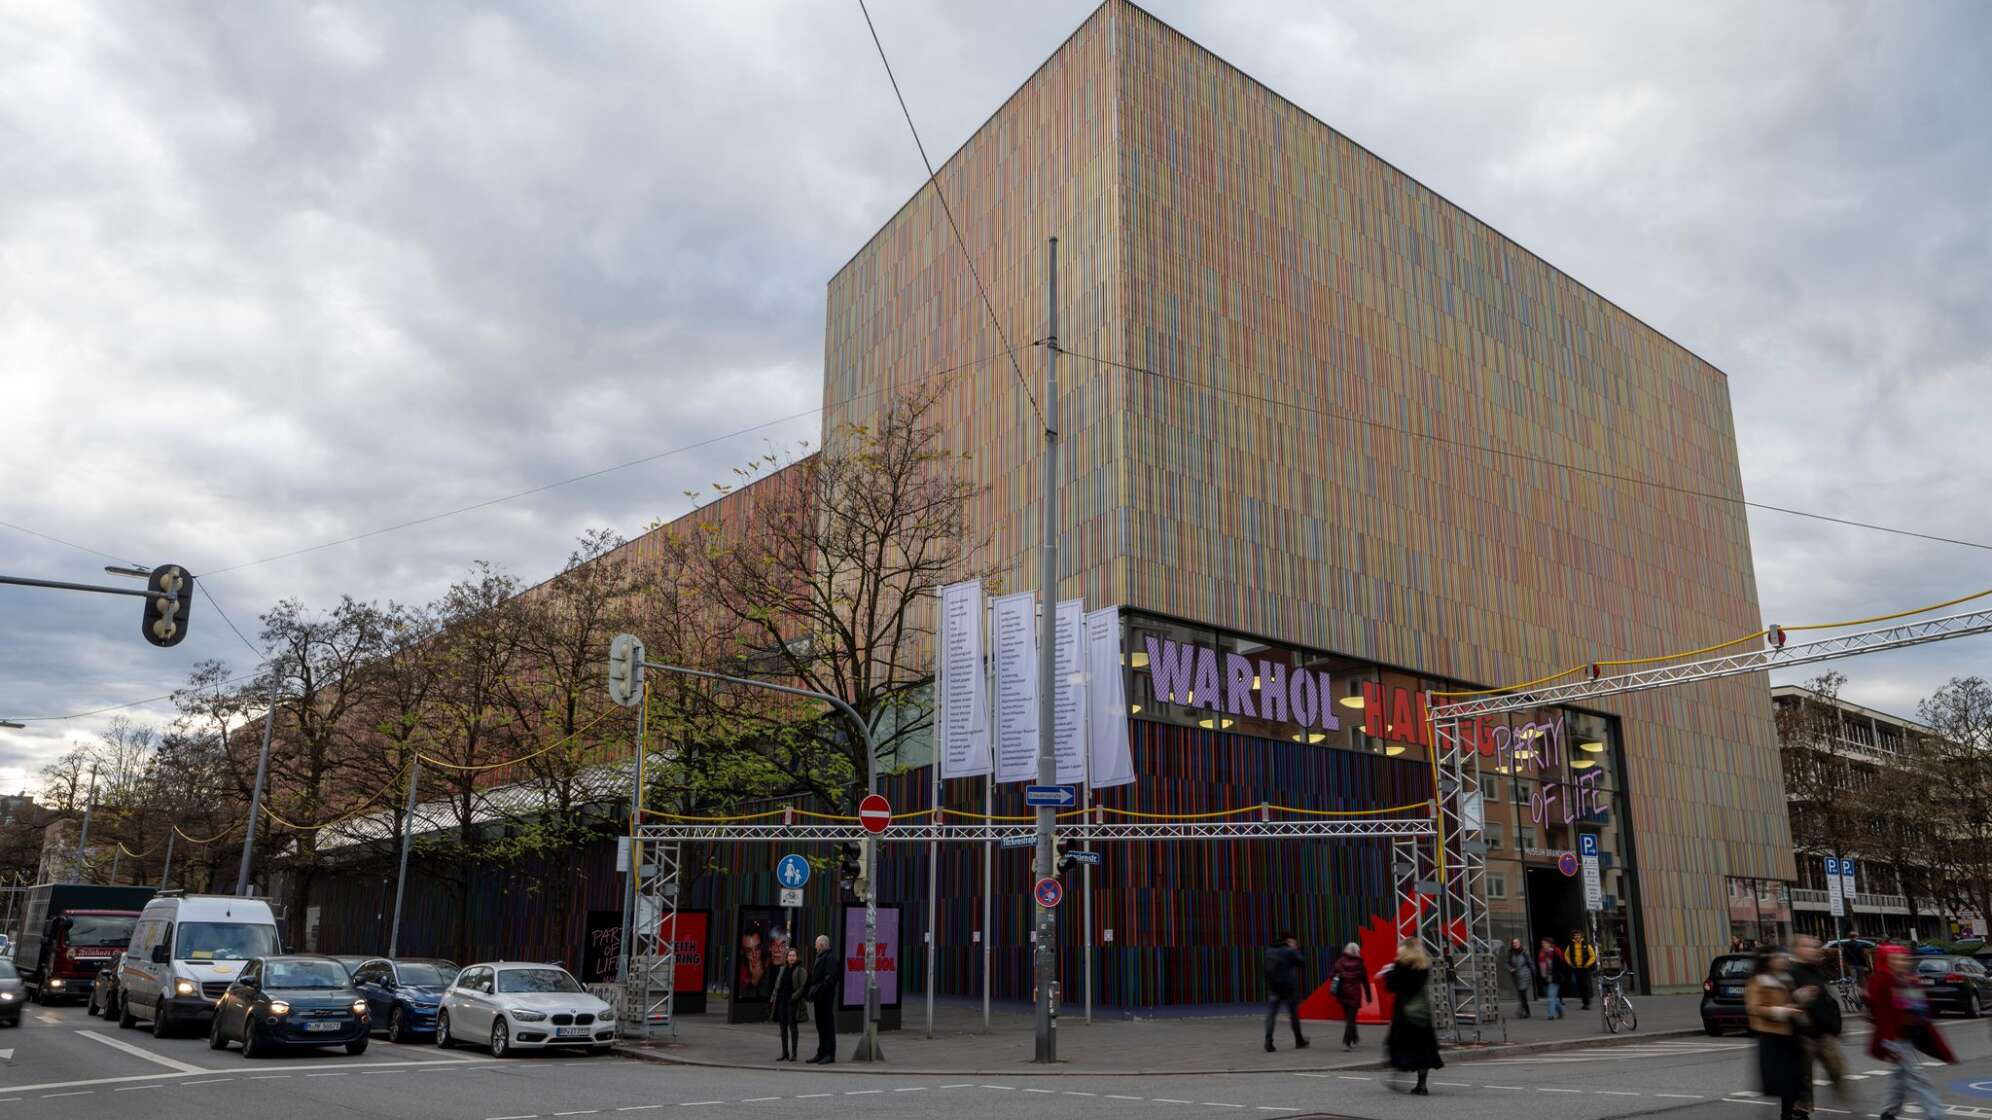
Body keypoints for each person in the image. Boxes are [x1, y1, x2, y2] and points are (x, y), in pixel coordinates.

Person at [1866, 944, 1955, 1120]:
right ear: (1886, 962)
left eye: (1903, 958)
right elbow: (1881, 1014)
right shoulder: (1881, 981)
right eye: (1895, 959)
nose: (1901, 962)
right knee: (1918, 1078)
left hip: (1910, 1034)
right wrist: (1887, 1042)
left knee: (1900, 1077)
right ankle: (1936, 1115)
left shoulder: (1908, 980)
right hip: (1894, 1038)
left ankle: (1889, 1112)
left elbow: (1922, 1009)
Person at [1745, 948, 1808, 1120]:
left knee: (1794, 1078)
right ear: (1769, 961)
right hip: (1771, 1034)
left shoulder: (1785, 979)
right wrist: (1781, 1011)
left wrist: (1800, 997)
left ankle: (1790, 1112)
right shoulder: (1758, 981)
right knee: (1783, 1079)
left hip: (1790, 1033)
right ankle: (1787, 1114)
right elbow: (1754, 1008)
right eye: (1779, 958)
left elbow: (1790, 1002)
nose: (1783, 960)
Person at [1789, 935, 1845, 1110]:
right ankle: (1801, 1109)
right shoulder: (1790, 972)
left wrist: (1836, 1025)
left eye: (1816, 947)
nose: (1815, 950)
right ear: (1797, 949)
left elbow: (1827, 999)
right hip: (1803, 1035)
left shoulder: (1815, 969)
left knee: (1837, 1071)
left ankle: (1841, 1107)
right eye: (1810, 947)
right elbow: (1783, 999)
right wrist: (1798, 997)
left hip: (1824, 1032)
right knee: (1804, 1079)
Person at [1381, 940, 1442, 1095]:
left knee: (1398, 1043)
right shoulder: (1423, 965)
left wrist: (1387, 974)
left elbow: (1392, 986)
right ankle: (1422, 1085)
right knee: (1423, 1047)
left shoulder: (1401, 965)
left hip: (1404, 1009)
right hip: (1421, 1009)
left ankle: (1397, 1078)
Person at [1262, 932, 1308, 1052]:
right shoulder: (1289, 950)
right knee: (1293, 1015)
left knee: (1271, 1015)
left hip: (1274, 987)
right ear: (1288, 940)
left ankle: (1268, 1041)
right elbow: (1302, 962)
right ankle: (1299, 1040)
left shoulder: (1269, 950)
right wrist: (1294, 949)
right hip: (1289, 987)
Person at [1329, 941, 1372, 1050]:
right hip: (1354, 994)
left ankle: (1354, 1037)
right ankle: (1346, 1042)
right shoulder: (1360, 964)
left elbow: (1331, 975)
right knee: (1351, 1019)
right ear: (1357, 951)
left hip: (1342, 993)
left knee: (1348, 1017)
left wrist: (1339, 975)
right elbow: (1365, 981)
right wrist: (1368, 996)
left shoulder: (1340, 961)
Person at [769, 945, 806, 1062]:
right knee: (782, 1028)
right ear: (786, 957)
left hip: (793, 1003)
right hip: (781, 1002)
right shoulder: (782, 969)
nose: (791, 958)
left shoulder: (800, 970)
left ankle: (794, 1054)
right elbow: (777, 985)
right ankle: (785, 1052)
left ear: (797, 957)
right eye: (789, 956)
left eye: (793, 956)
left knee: (793, 1028)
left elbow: (803, 987)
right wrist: (773, 998)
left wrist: (793, 997)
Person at [805, 934, 838, 1064]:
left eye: (816, 944)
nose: (815, 946)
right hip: (820, 997)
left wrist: (816, 991)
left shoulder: (830, 958)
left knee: (827, 1026)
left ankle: (829, 1054)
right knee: (820, 1026)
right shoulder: (822, 956)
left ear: (822, 945)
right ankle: (821, 1052)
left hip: (825, 998)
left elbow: (829, 979)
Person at [1565, 928, 1599, 1010]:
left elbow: (1593, 956)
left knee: (1585, 986)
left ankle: (1587, 1003)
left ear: (1581, 936)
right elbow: (1566, 955)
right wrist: (1571, 964)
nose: (1577, 936)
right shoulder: (1570, 946)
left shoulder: (1586, 945)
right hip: (1576, 969)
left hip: (1584, 969)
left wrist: (1587, 964)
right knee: (1580, 986)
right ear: (1573, 936)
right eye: (1575, 935)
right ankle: (1584, 1002)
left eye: (1578, 935)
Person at [1537, 937, 1566, 1020]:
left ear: (1549, 944)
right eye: (1542, 943)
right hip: (1545, 979)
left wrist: (1560, 975)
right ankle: (1560, 1010)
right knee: (1552, 997)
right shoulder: (1541, 954)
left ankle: (1550, 1015)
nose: (1544, 945)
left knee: (1550, 997)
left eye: (1545, 943)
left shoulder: (1555, 954)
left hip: (1554, 978)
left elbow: (1561, 966)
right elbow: (1540, 967)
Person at [1506, 938, 1535, 1019]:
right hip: (1516, 976)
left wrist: (1533, 971)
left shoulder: (1524, 952)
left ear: (1520, 943)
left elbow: (1530, 962)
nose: (1515, 944)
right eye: (1514, 943)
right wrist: (1510, 968)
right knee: (1521, 995)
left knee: (1522, 993)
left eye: (1517, 942)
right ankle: (1524, 1011)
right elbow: (1507, 963)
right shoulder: (1511, 953)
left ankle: (1525, 1012)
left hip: (1525, 975)